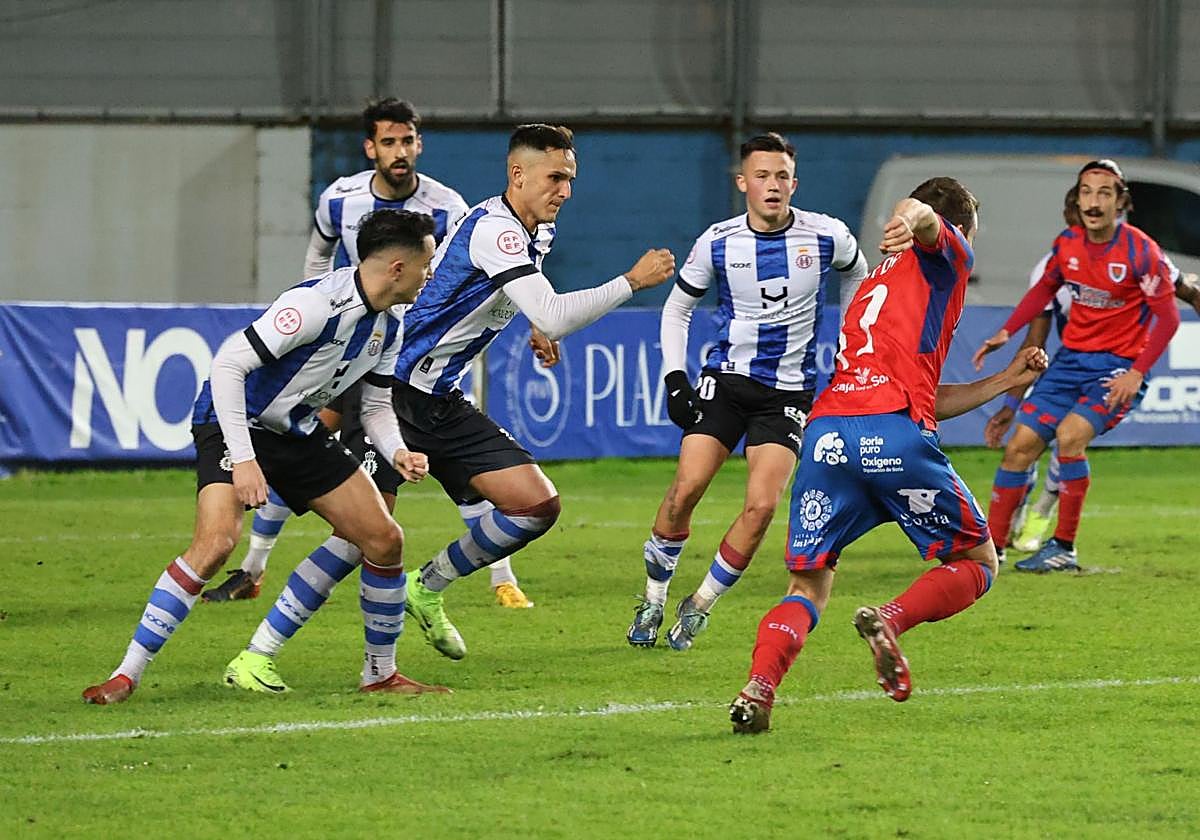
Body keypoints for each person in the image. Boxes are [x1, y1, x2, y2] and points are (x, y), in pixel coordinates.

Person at [727, 178, 1050, 734]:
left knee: (807, 585)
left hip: (829, 436)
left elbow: (927, 397)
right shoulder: (945, 261)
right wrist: (913, 215)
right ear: (963, 230)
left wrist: (1005, 380)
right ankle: (890, 620)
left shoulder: (873, 288)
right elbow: (925, 216)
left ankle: (759, 689)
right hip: (891, 435)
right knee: (977, 562)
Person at [84, 209, 444, 704]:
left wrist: (398, 451)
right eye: (428, 263)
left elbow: (376, 404)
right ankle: (126, 674)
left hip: (296, 432)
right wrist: (245, 458)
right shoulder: (314, 305)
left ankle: (380, 673)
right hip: (233, 419)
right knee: (216, 545)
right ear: (399, 267)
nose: (432, 274)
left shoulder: (389, 325)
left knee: (384, 540)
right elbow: (229, 365)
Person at [203, 98, 535, 609]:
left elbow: (484, 277)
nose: (399, 152)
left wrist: (536, 320)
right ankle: (254, 568)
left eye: (407, 141)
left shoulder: (448, 207)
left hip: (402, 349)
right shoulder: (340, 198)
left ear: (418, 144)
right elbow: (319, 254)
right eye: (388, 142)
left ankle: (500, 578)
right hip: (341, 345)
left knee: (439, 458)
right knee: (298, 436)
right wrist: (318, 315)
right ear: (370, 147)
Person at [395, 123, 674, 660]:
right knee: (358, 534)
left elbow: (526, 300)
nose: (565, 191)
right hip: (393, 391)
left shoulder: (534, 232)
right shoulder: (495, 229)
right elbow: (550, 308)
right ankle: (268, 651)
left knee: (535, 506)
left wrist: (537, 328)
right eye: (555, 178)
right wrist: (631, 282)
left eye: (570, 179)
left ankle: (425, 588)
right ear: (517, 174)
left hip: (440, 397)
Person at [626, 132, 867, 651]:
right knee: (685, 489)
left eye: (782, 176)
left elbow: (858, 275)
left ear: (794, 183)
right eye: (762, 176)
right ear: (743, 184)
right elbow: (677, 308)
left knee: (761, 507)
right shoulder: (718, 241)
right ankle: (653, 596)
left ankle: (700, 605)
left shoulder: (827, 236)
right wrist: (675, 377)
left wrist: (850, 339)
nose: (773, 185)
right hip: (726, 383)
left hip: (789, 394)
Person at [974, 159, 1181, 573]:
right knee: (1019, 448)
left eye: (1105, 193)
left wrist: (1136, 372)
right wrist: (1005, 332)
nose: (1094, 201)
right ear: (1077, 199)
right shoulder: (1066, 245)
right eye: (1087, 191)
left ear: (1120, 202)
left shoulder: (1141, 251)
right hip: (1069, 364)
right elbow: (1043, 291)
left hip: (1117, 367)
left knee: (1069, 437)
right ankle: (991, 551)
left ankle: (1063, 547)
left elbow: (1169, 317)